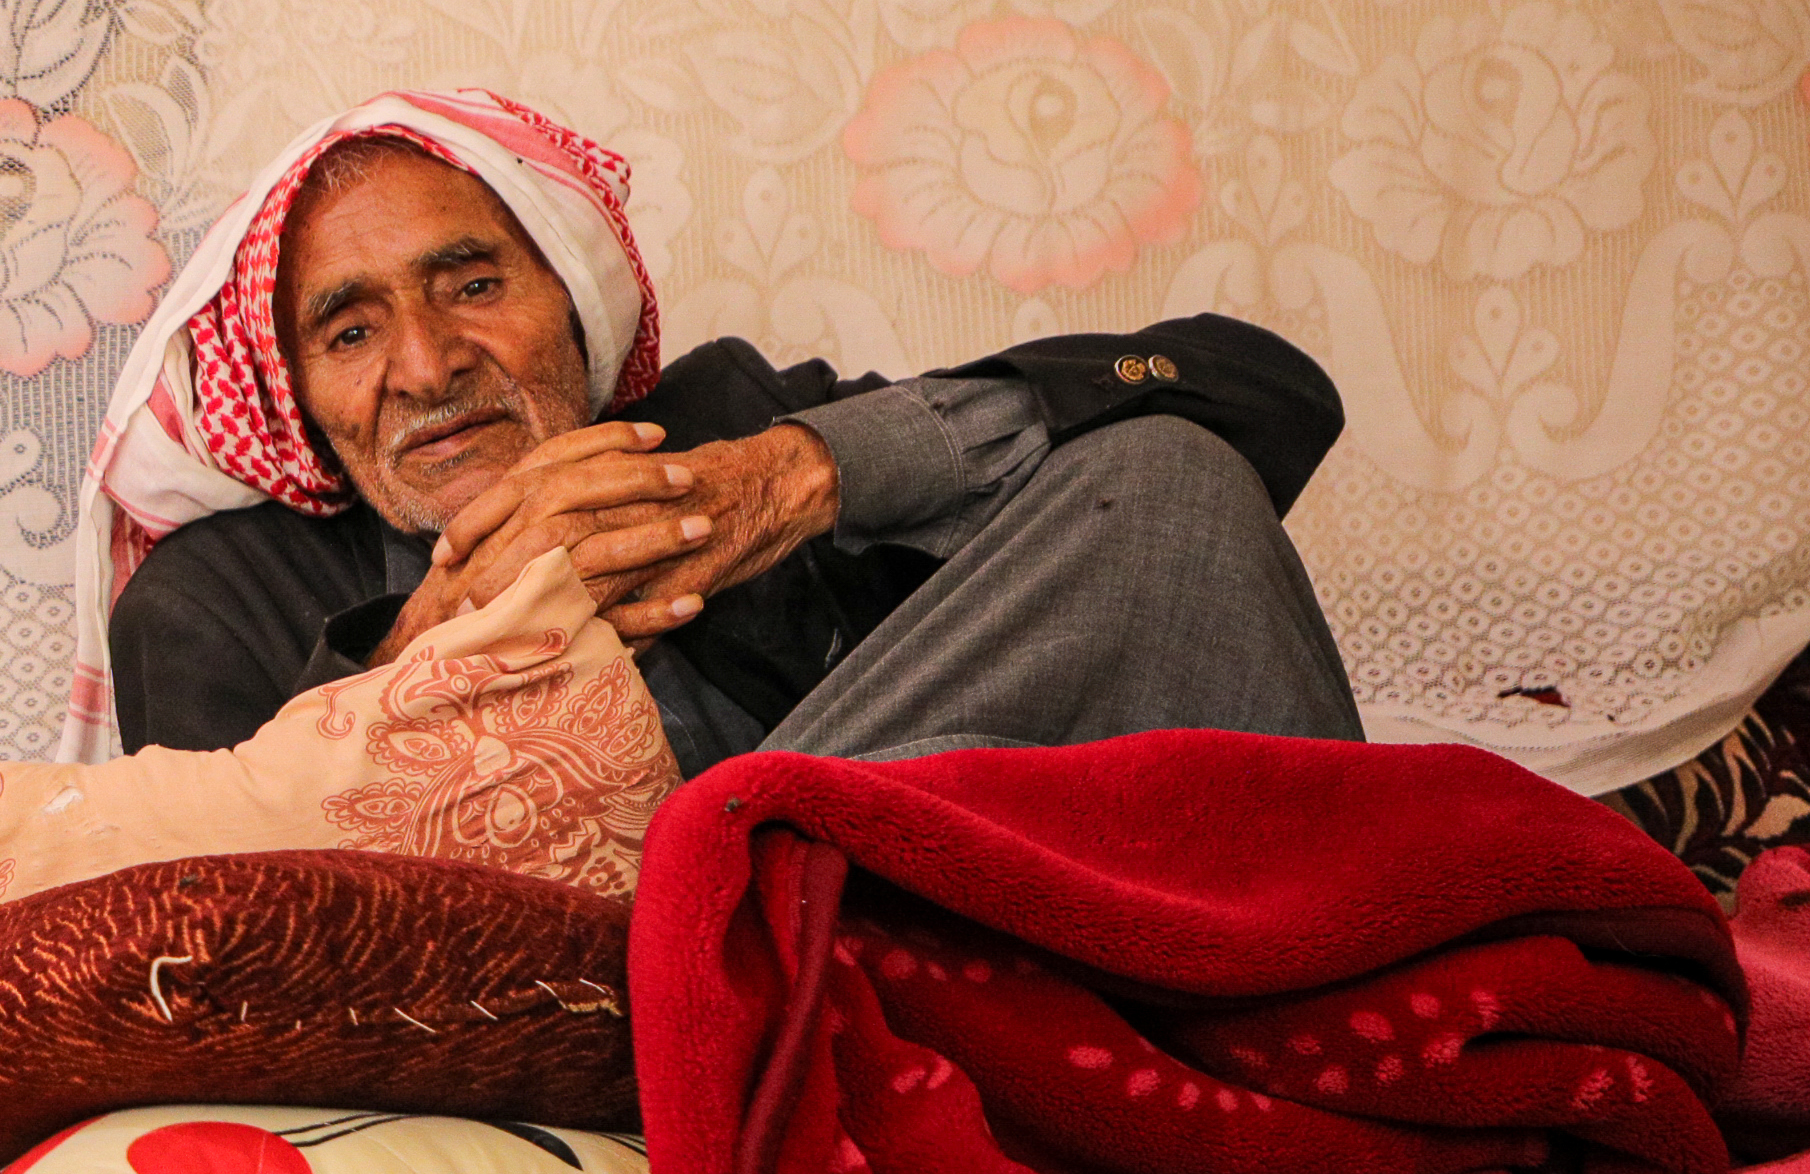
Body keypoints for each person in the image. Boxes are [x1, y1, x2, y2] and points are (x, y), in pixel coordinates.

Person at [68, 87, 1360, 773]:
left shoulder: (729, 425)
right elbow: (225, 926)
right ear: (292, 394)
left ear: (570, 308)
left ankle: (1342, 1048)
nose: (427, 364)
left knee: (1164, 473)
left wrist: (804, 473)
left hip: (905, 891)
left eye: (472, 286)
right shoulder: (216, 598)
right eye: (349, 332)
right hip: (618, 991)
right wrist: (434, 651)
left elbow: (1267, 393)